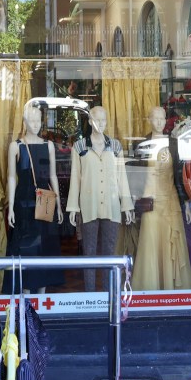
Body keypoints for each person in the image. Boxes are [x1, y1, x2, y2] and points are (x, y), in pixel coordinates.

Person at [66, 106, 134, 292]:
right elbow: (75, 178)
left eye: (104, 120)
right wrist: (73, 207)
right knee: (89, 252)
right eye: (97, 120)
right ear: (89, 121)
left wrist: (126, 205)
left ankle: (107, 293)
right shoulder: (80, 147)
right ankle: (89, 296)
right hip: (89, 205)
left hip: (111, 206)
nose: (101, 124)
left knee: (110, 252)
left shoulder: (116, 146)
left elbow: (122, 177)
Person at [132, 106, 191, 290]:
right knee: (150, 243)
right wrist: (134, 200)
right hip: (150, 200)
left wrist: (187, 203)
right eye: (155, 118)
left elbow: (179, 176)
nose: (159, 122)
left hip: (170, 200)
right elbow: (136, 175)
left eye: (162, 118)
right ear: (149, 119)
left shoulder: (174, 143)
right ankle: (151, 287)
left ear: (166, 120)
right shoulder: (142, 144)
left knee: (170, 242)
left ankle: (171, 287)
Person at [6, 102, 64, 293]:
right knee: (25, 249)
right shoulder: (16, 146)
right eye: (31, 120)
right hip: (23, 204)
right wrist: (11, 205)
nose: (35, 124)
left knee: (43, 249)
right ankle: (26, 295)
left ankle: (41, 296)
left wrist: (59, 204)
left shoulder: (49, 146)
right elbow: (12, 177)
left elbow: (53, 175)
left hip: (45, 201)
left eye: (38, 120)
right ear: (24, 121)